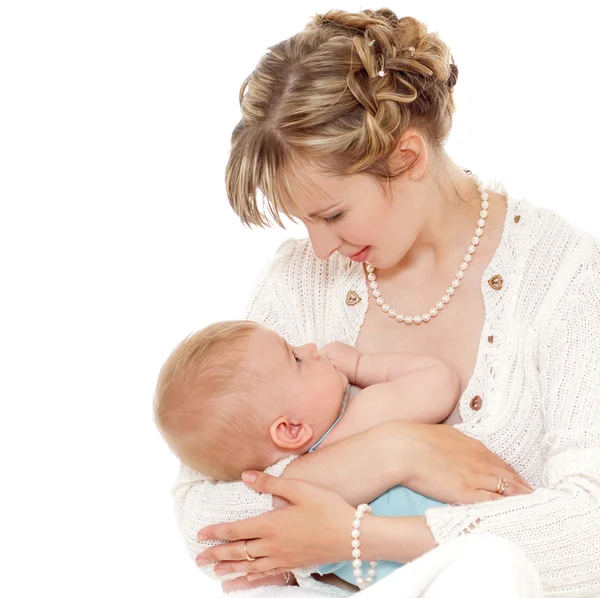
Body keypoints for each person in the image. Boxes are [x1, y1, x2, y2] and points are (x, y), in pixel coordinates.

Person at [172, 8, 600, 597]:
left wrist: (356, 537)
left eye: (332, 215)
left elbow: (589, 531)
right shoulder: (301, 282)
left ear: (408, 157)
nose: (319, 250)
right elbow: (202, 514)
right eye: (305, 222)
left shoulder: (567, 281)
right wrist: (398, 451)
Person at [156, 319, 531, 589]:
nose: (311, 348)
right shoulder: (361, 420)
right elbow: (438, 382)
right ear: (290, 429)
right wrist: (359, 365)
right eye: (297, 359)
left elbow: (248, 575)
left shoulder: (285, 500)